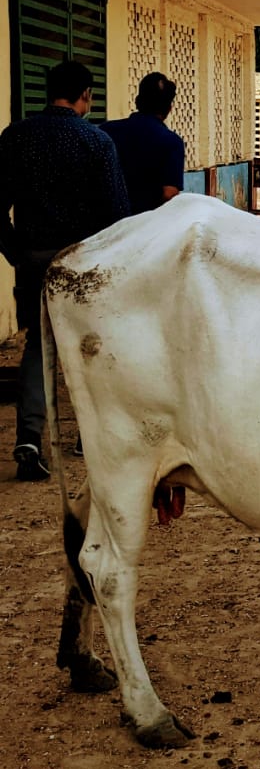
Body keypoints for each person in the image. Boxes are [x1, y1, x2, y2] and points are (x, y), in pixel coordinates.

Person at [0, 58, 130, 481]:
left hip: (35, 257)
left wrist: (16, 251)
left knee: (39, 345)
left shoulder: (15, 137)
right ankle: (88, 437)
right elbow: (116, 213)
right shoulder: (96, 141)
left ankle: (31, 437)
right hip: (83, 260)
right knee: (90, 343)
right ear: (86, 96)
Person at [100, 72, 185, 214]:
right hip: (146, 226)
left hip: (108, 224)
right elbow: (169, 194)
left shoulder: (106, 131)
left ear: (137, 101)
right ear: (169, 109)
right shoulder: (172, 142)